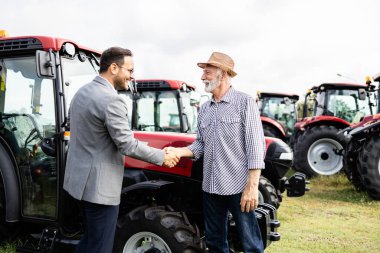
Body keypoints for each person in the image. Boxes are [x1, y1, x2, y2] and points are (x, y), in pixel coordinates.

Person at [63, 47, 179, 253]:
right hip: (100, 187)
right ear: (114, 68)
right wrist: (162, 156)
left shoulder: (81, 93)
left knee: (91, 239)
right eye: (130, 70)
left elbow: (78, 130)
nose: (132, 76)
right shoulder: (112, 100)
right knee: (101, 247)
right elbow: (126, 144)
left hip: (78, 182)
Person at [165, 52, 266, 253]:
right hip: (210, 187)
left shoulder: (245, 103)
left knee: (251, 245)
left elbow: (256, 147)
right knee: (215, 243)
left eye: (208, 72)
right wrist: (178, 151)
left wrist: (252, 187)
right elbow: (200, 145)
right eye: (203, 72)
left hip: (239, 187)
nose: (203, 77)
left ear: (224, 74)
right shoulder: (204, 109)